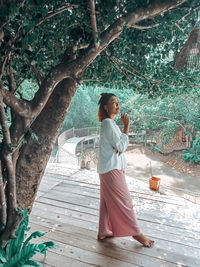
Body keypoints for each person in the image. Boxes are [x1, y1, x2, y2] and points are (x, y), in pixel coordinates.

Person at [97, 93, 154, 247]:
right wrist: (127, 127)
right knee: (125, 201)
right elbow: (121, 146)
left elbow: (119, 146)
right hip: (111, 170)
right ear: (105, 107)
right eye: (113, 102)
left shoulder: (111, 124)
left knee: (106, 201)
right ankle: (137, 234)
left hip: (109, 168)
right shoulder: (108, 123)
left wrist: (121, 141)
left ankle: (103, 230)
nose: (117, 105)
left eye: (118, 102)